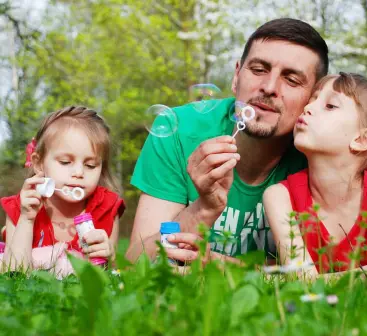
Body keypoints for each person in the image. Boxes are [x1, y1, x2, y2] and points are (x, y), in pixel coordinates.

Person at [126, 18, 329, 263]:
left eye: (292, 80)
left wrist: (219, 265)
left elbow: (321, 275)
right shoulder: (177, 129)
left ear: (313, 99)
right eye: (258, 70)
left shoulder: (320, 154)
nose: (269, 87)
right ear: (236, 77)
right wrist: (204, 208)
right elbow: (135, 261)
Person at [263, 72, 367, 295]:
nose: (308, 108)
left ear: (362, 139)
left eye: (330, 106)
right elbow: (301, 282)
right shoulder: (279, 196)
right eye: (312, 100)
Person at [0, 106, 125, 276]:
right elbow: (14, 274)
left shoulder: (107, 208)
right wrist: (26, 220)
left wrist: (109, 254)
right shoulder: (21, 206)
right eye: (65, 162)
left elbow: (112, 275)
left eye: (90, 165)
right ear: (38, 163)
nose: (79, 173)